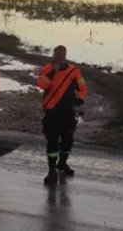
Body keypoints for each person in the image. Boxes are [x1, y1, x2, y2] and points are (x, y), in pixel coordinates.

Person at [37, 45, 87, 185]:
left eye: (62, 55)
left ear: (65, 56)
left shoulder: (74, 71)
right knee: (52, 140)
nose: (60, 58)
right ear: (53, 55)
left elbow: (82, 87)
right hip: (52, 111)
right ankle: (51, 170)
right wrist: (54, 71)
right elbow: (42, 85)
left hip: (68, 111)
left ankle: (62, 163)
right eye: (57, 55)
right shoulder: (46, 69)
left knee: (67, 139)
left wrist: (79, 98)